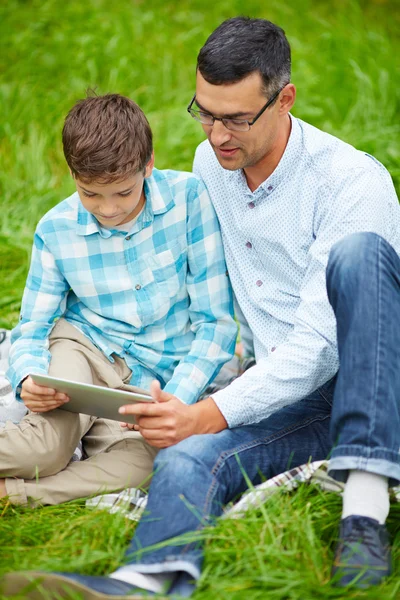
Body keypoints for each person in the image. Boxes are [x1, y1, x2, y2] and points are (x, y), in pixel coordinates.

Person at [3, 16, 400, 599]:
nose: (217, 136)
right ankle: (140, 582)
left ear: (284, 99)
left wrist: (208, 410)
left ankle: (363, 516)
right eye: (205, 113)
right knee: (185, 458)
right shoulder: (213, 165)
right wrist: (189, 411)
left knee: (361, 255)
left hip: (369, 376)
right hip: (285, 392)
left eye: (236, 119)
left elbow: (319, 347)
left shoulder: (351, 183)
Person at [0, 93, 237, 508]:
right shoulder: (56, 230)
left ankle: (15, 494)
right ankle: (45, 452)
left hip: (150, 384)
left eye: (123, 193)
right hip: (84, 352)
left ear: (148, 165)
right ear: (73, 174)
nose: (107, 210)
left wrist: (174, 402)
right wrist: (29, 378)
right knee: (44, 450)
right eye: (90, 194)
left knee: (156, 461)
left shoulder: (189, 200)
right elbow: (35, 326)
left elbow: (216, 324)